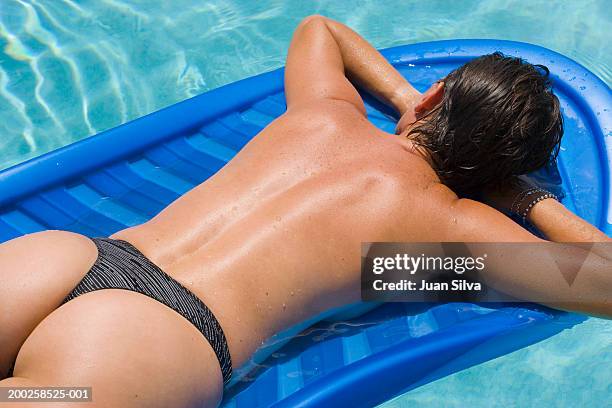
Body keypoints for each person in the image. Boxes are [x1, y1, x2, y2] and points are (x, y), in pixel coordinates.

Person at [0, 15, 610, 408]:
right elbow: (602, 281)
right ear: (496, 173)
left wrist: (403, 100)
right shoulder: (449, 234)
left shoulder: (321, 113)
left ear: (435, 96)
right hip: (150, 343)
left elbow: (321, 29)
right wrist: (526, 197)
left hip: (68, 257)